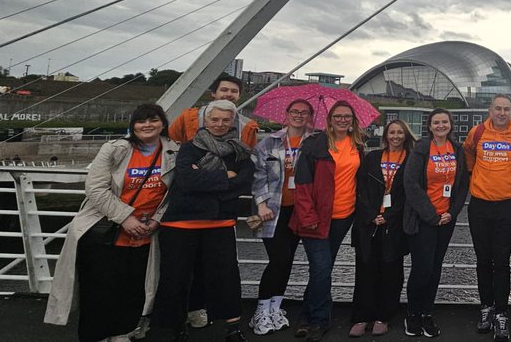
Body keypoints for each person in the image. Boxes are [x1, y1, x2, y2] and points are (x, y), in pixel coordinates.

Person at [44, 104, 178, 342]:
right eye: (141, 121)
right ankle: (94, 336)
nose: (147, 125)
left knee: (133, 288)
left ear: (163, 123)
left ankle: (121, 333)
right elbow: (95, 189)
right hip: (105, 229)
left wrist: (157, 220)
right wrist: (126, 217)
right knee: (98, 289)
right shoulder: (114, 149)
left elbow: (176, 192)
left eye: (153, 120)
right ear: (133, 125)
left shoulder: (174, 151)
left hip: (146, 233)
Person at [153, 99, 255, 341]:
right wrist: (224, 177)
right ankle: (176, 326)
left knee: (226, 276)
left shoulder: (240, 151)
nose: (220, 124)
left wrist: (206, 178)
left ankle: (233, 327)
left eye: (225, 120)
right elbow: (186, 181)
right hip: (180, 223)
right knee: (176, 276)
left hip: (219, 223)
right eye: (214, 119)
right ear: (205, 121)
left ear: (233, 122)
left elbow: (243, 182)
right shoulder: (189, 147)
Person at [290, 101, 364, 341]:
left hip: (344, 216)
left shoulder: (358, 146)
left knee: (323, 268)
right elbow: (302, 184)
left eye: (347, 117)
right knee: (321, 269)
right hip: (317, 218)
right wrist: (308, 216)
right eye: (338, 116)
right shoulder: (314, 145)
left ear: (353, 121)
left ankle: (307, 316)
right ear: (330, 119)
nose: (343, 120)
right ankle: (319, 320)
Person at [464, 94, 511, 342]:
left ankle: (502, 312)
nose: (502, 113)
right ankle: (486, 308)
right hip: (479, 205)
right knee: (483, 260)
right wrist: (473, 174)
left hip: (507, 206)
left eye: (506, 109)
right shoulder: (477, 132)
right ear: (490, 110)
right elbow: (468, 153)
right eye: (498, 109)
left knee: (502, 261)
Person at [248, 98, 317, 336]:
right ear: (286, 114)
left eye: (304, 112)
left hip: (298, 211)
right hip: (273, 210)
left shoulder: (315, 142)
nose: (299, 115)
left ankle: (275, 308)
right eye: (295, 111)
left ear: (310, 116)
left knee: (287, 261)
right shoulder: (269, 142)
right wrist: (261, 204)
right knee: (278, 259)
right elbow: (258, 175)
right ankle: (260, 311)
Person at [404, 109, 469, 338]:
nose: (441, 126)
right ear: (429, 126)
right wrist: (431, 215)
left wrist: (452, 212)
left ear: (450, 125)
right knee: (422, 269)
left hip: (446, 219)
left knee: (435, 268)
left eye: (444, 122)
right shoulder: (421, 149)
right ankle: (412, 313)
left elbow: (462, 185)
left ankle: (426, 313)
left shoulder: (457, 150)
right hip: (424, 220)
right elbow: (411, 184)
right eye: (436, 122)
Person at [349, 119, 415, 337]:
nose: (395, 136)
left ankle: (383, 316)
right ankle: (361, 316)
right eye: (391, 132)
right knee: (365, 270)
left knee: (391, 272)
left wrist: (388, 216)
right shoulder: (372, 157)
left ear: (406, 136)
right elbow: (359, 189)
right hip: (368, 224)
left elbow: (409, 195)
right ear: (385, 135)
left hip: (394, 226)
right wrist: (371, 216)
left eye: (399, 133)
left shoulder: (411, 160)